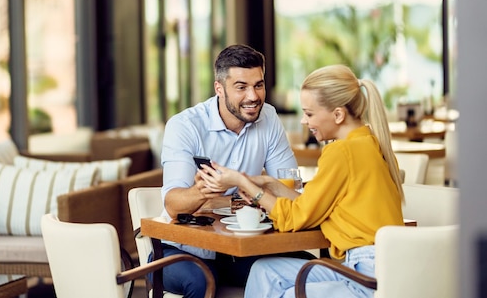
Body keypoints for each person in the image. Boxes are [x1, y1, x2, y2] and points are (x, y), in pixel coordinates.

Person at [201, 64, 404, 298]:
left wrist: (243, 183)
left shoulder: (341, 153)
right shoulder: (370, 144)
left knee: (289, 295)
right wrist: (270, 185)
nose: (304, 122)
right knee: (264, 271)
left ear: (338, 115)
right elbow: (312, 206)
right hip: (381, 267)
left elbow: (296, 218)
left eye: (309, 113)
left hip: (365, 275)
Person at [157, 44, 299, 298]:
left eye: (258, 85)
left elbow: (287, 187)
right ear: (219, 89)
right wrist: (204, 190)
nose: (253, 96)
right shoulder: (184, 126)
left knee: (300, 266)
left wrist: (252, 188)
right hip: (182, 250)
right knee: (199, 281)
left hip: (240, 247)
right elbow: (173, 205)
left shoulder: (269, 117)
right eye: (241, 87)